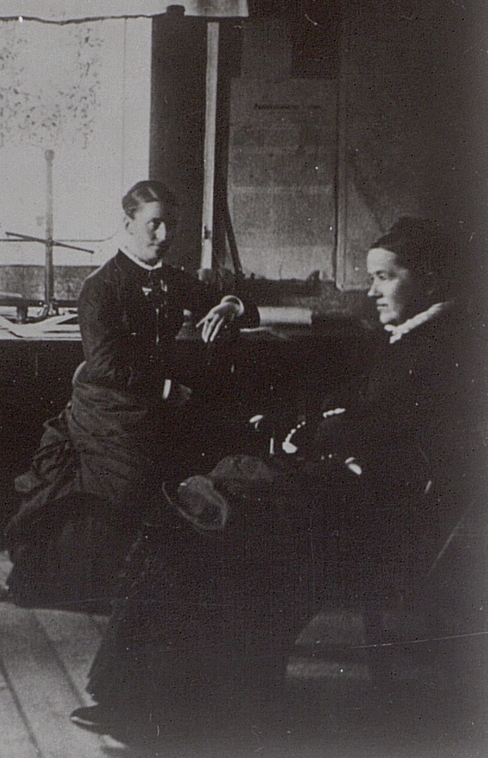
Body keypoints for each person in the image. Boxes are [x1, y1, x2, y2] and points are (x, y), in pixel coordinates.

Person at [79, 217, 486, 738]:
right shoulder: (420, 337)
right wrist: (313, 428)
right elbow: (362, 408)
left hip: (380, 529)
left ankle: (166, 705)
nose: (372, 291)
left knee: (202, 526)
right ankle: (154, 697)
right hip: (364, 503)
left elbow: (382, 435)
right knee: (195, 516)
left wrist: (307, 434)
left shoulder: (438, 351)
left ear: (427, 278)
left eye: (385, 277)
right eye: (371, 277)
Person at [3, 180, 258, 609]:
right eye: (154, 224)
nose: (164, 234)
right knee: (127, 488)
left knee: (186, 476)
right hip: (108, 406)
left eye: (170, 225)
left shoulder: (171, 280)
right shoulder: (101, 286)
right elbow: (105, 365)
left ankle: (160, 587)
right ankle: (99, 588)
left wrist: (227, 305)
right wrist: (165, 387)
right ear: (128, 224)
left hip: (155, 404)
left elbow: (246, 308)